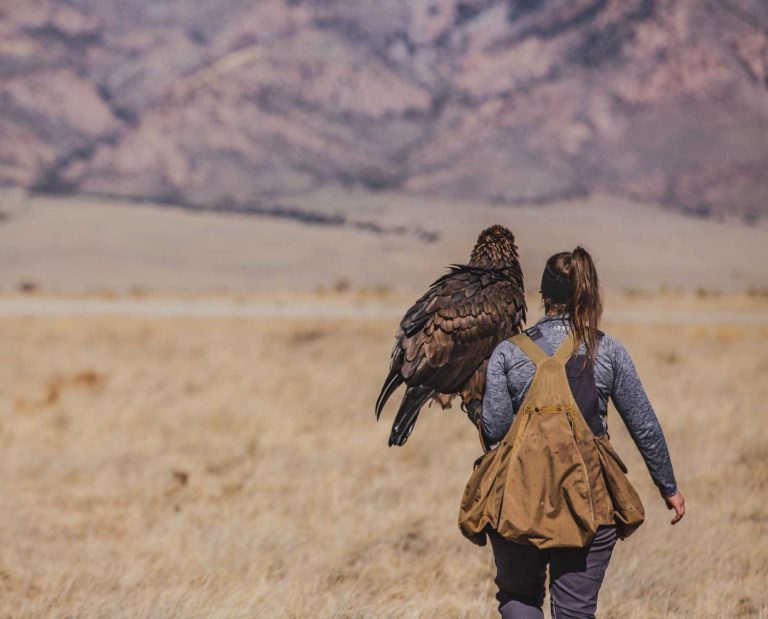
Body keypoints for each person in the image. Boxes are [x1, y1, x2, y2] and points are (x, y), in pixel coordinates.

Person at [480, 247, 685, 619]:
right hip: (589, 503)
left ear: (543, 295)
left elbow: (495, 428)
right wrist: (668, 487)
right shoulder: (608, 352)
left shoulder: (507, 353)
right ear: (587, 293)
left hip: (519, 501)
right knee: (575, 611)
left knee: (519, 597)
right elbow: (644, 425)